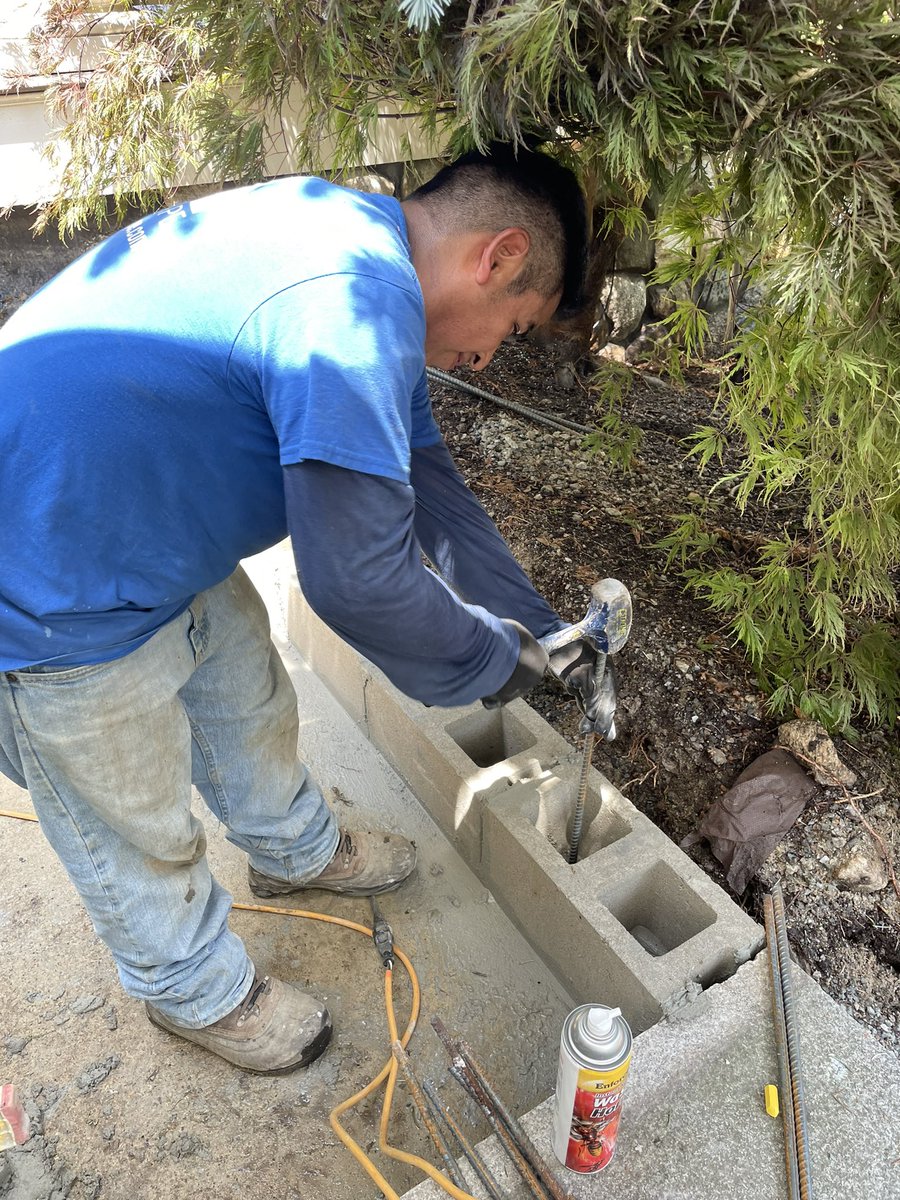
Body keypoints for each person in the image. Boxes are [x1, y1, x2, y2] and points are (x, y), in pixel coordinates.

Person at [0, 143, 612, 1074]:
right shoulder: (346, 303)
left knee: (248, 701)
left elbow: (424, 478)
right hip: (49, 585)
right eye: (513, 329)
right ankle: (196, 992)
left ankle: (295, 850)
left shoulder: (355, 240)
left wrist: (540, 627)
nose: (490, 358)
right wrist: (500, 664)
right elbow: (357, 579)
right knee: (136, 821)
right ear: (497, 255)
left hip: (133, 524)